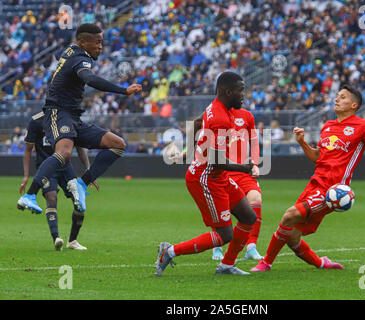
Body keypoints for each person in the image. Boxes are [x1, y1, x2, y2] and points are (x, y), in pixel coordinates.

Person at [251, 85, 365, 272]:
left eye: (342, 97)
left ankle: (266, 263)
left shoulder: (364, 127)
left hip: (333, 190)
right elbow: (317, 157)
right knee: (292, 235)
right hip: (314, 184)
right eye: (337, 96)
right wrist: (302, 143)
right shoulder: (328, 126)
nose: (337, 99)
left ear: (354, 105)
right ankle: (321, 263)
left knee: (289, 215)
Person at [18, 23, 142, 214]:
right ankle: (30, 195)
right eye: (98, 42)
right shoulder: (81, 58)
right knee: (65, 152)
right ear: (83, 42)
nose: (101, 46)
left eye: (102, 42)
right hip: (58, 112)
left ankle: (81, 184)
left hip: (73, 116)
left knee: (118, 144)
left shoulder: (71, 50)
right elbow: (90, 79)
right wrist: (123, 90)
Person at [155, 71, 257, 276]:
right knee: (224, 234)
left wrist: (192, 153)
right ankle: (169, 251)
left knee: (248, 217)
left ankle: (227, 265)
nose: (243, 95)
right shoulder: (220, 117)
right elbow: (215, 160)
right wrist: (243, 167)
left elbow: (194, 124)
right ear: (228, 91)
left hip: (218, 175)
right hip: (206, 178)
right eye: (240, 90)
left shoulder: (217, 107)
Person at [17, 112, 97, 250]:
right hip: (46, 168)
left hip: (65, 168)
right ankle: (56, 238)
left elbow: (79, 147)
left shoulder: (69, 119)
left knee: (79, 201)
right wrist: (26, 176)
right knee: (51, 197)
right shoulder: (36, 121)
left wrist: (90, 171)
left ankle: (72, 241)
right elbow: (28, 149)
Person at [211, 105, 263, 261]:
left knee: (255, 199)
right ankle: (217, 247)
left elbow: (254, 143)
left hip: (242, 171)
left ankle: (251, 247)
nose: (241, 95)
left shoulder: (247, 116)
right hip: (222, 171)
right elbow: (202, 140)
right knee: (222, 206)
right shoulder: (215, 114)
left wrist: (254, 163)